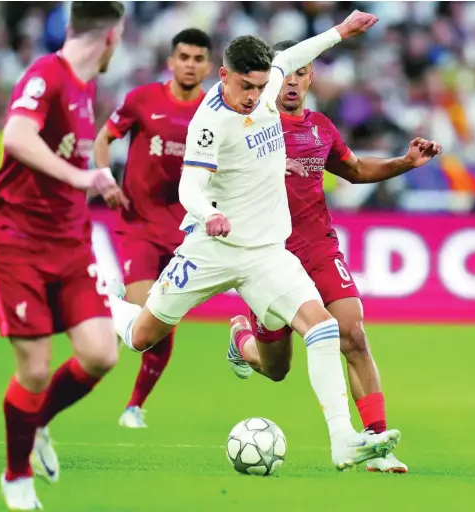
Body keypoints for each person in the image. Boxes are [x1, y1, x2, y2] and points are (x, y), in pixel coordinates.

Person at [109, 11, 402, 471]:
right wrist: (209, 216)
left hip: (267, 252)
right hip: (212, 249)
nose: (253, 97)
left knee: (323, 328)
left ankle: (344, 440)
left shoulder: (268, 83)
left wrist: (340, 32)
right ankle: (103, 306)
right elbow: (190, 187)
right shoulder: (209, 123)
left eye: (260, 86)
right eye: (245, 87)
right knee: (144, 336)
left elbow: (295, 55)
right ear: (223, 76)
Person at [226, 39, 442, 474]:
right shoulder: (249, 124)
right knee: (275, 368)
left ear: (311, 78)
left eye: (301, 72)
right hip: (269, 254)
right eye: (285, 73)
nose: (292, 82)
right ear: (270, 78)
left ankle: (377, 444)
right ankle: (241, 343)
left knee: (354, 336)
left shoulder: (320, 127)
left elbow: (357, 170)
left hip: (320, 248)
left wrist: (406, 162)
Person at [0, 3, 126, 509]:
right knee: (36, 370)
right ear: (112, 35)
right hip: (19, 240)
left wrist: (95, 181)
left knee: (100, 354)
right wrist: (81, 177)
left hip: (70, 241)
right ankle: (16, 477)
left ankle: (37, 423)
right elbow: (17, 137)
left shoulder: (86, 89)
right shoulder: (46, 74)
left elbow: (63, 153)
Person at [94, 28, 213, 429]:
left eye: (198, 58)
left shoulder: (215, 111)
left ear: (208, 66)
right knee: (148, 316)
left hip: (186, 231)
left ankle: (134, 405)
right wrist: (104, 178)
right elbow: (103, 138)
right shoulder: (142, 100)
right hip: (139, 225)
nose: (191, 64)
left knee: (162, 324)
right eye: (184, 57)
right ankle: (113, 303)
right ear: (171, 61)